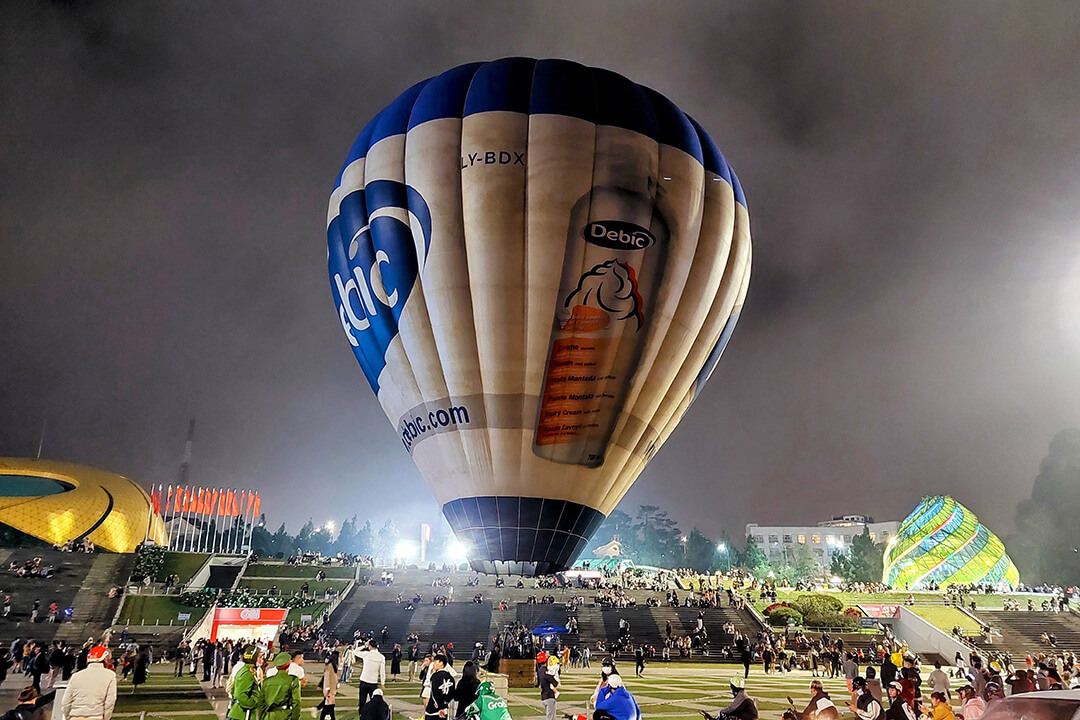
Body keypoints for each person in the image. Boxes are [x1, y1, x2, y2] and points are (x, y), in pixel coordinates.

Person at [62, 646, 117, 720]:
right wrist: (106, 717)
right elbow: (110, 701)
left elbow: (66, 701)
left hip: (75, 715)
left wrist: (67, 716)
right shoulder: (110, 675)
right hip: (96, 715)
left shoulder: (76, 676)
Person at [227, 646, 264, 720]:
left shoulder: (248, 670)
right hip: (243, 714)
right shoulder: (247, 673)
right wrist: (253, 703)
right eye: (259, 657)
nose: (262, 660)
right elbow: (241, 695)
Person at [263, 652, 301, 720]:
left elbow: (261, 703)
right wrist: (295, 717)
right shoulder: (292, 680)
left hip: (269, 716)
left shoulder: (267, 682)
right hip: (285, 715)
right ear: (289, 664)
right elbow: (296, 702)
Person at [355, 640, 386, 710]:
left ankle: (362, 716)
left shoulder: (367, 654)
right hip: (373, 682)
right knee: (374, 702)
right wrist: (382, 683)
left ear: (370, 646)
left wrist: (364, 645)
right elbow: (382, 671)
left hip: (364, 680)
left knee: (362, 701)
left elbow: (355, 652)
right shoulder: (381, 657)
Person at [423, 654, 455, 720]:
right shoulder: (450, 678)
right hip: (445, 710)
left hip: (434, 710)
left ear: (441, 663)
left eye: (435, 662)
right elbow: (452, 694)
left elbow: (434, 693)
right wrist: (445, 706)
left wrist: (439, 707)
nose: (433, 664)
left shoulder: (435, 676)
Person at [320, 652, 339, 720]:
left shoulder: (334, 666)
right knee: (329, 706)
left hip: (332, 689)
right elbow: (327, 678)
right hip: (330, 689)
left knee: (329, 706)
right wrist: (327, 689)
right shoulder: (329, 666)